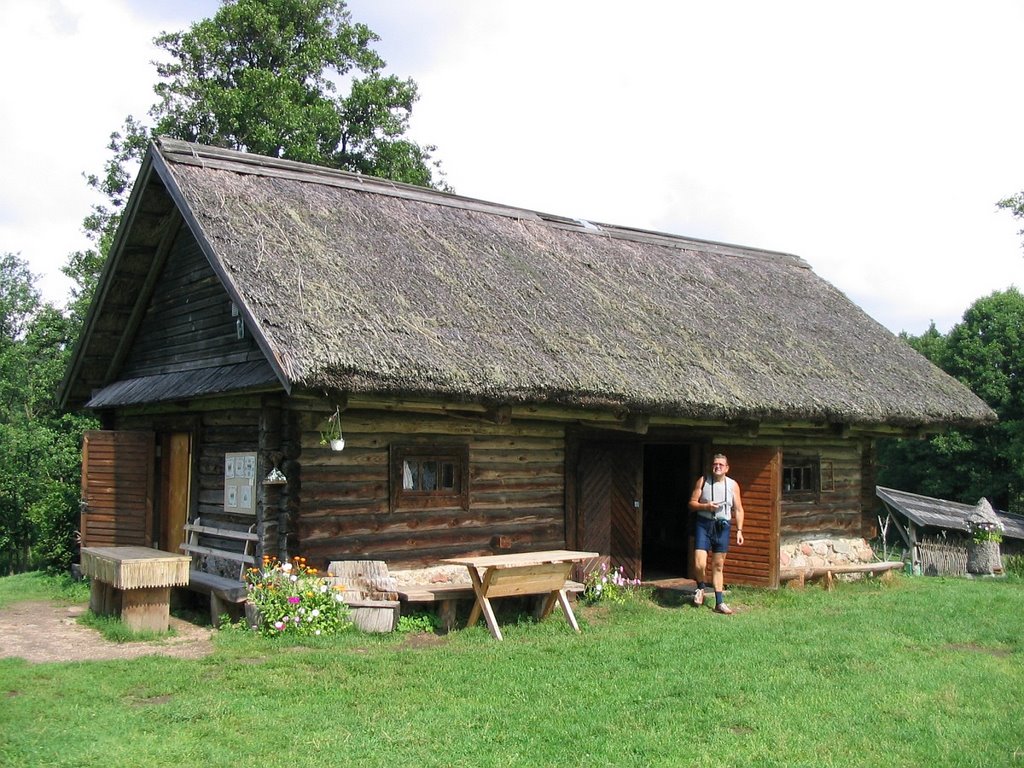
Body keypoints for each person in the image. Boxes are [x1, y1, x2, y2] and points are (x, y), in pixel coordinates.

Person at [688, 453, 744, 614]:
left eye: (721, 464)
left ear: (727, 468)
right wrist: (706, 507)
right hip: (703, 524)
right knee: (699, 563)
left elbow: (739, 509)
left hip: (722, 526)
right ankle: (700, 588)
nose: (717, 467)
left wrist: (739, 530)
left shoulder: (733, 485)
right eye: (715, 464)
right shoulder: (703, 481)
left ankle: (719, 602)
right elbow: (691, 503)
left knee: (718, 565)